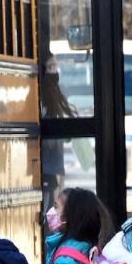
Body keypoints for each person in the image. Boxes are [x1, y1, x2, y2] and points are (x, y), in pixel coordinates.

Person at [40, 54, 77, 219]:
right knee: (49, 215)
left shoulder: (53, 96)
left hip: (53, 168)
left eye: (55, 67)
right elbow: (45, 136)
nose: (54, 72)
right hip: (45, 168)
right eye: (50, 67)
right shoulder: (41, 100)